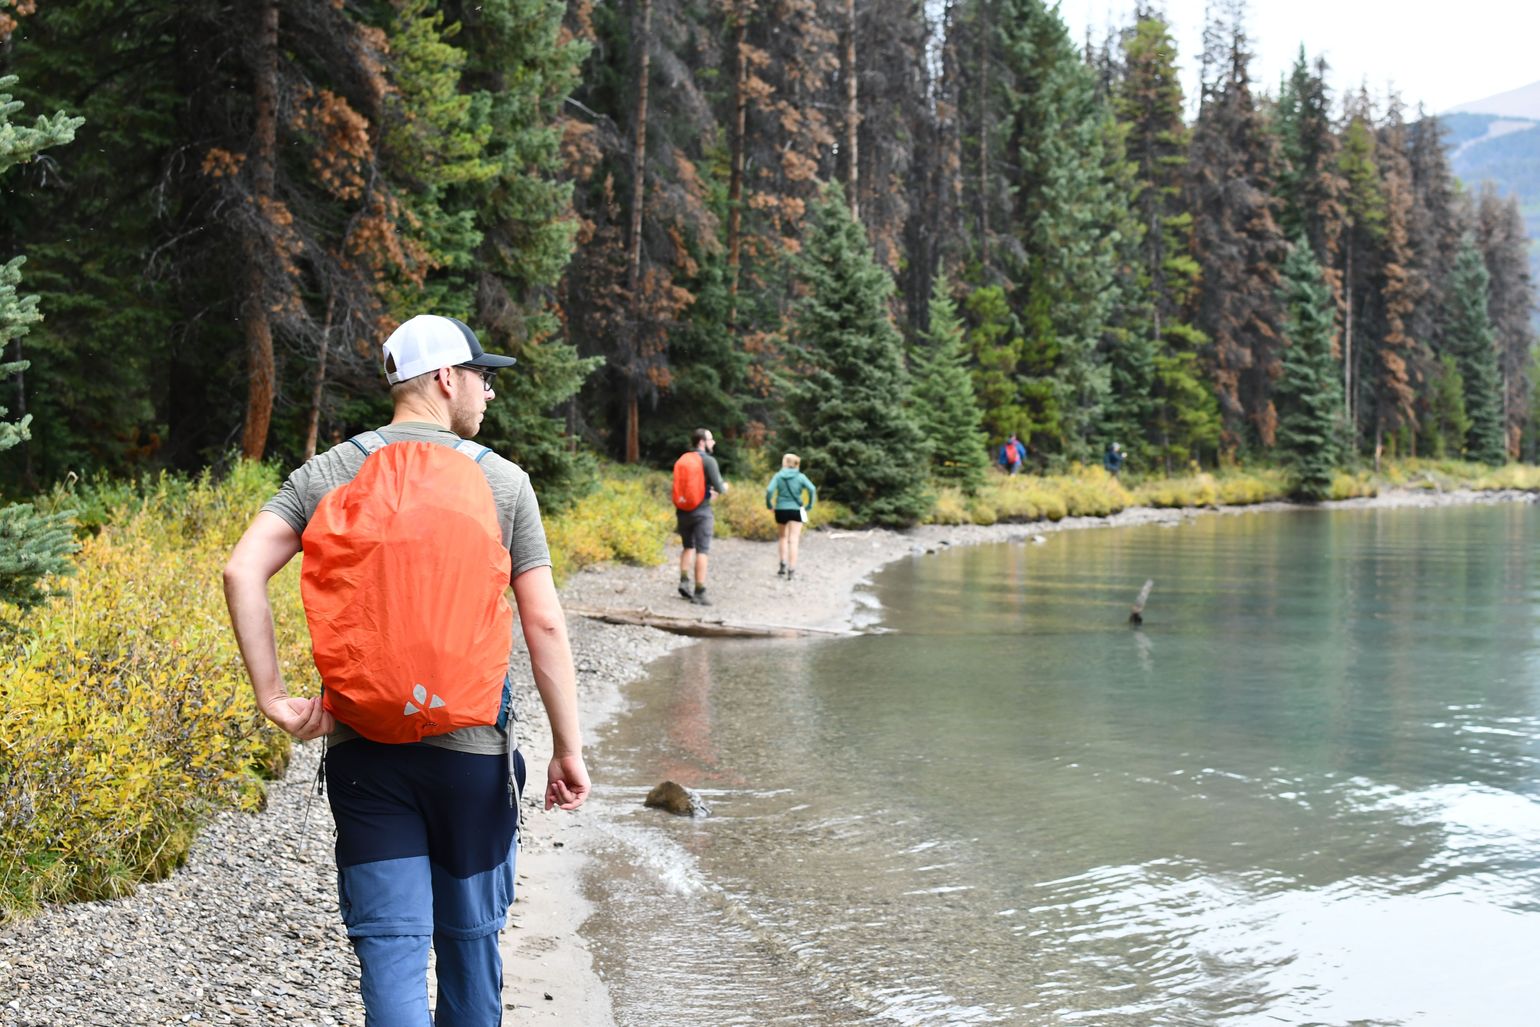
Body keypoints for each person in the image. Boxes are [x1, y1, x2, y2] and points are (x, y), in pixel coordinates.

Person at [222, 313, 589, 1027]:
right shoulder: (505, 482)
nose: (488, 392)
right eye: (483, 376)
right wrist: (568, 749)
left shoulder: (331, 470)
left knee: (391, 949)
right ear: (447, 377)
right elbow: (543, 621)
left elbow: (242, 571)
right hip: (472, 759)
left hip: (366, 757)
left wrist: (274, 698)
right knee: (470, 943)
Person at [675, 427, 729, 606]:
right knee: (702, 550)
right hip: (702, 512)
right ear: (702, 442)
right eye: (710, 439)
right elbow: (719, 487)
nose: (713, 443)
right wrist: (724, 487)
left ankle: (684, 580)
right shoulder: (709, 461)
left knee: (687, 546)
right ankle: (699, 591)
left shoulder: (683, 459)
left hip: (682, 510)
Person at [764, 453, 817, 580]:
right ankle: (791, 570)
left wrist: (769, 505)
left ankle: (782, 565)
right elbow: (812, 489)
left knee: (782, 537)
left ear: (785, 463)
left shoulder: (778, 476)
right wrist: (809, 506)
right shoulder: (800, 477)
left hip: (781, 509)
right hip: (795, 510)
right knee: (794, 540)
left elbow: (770, 490)